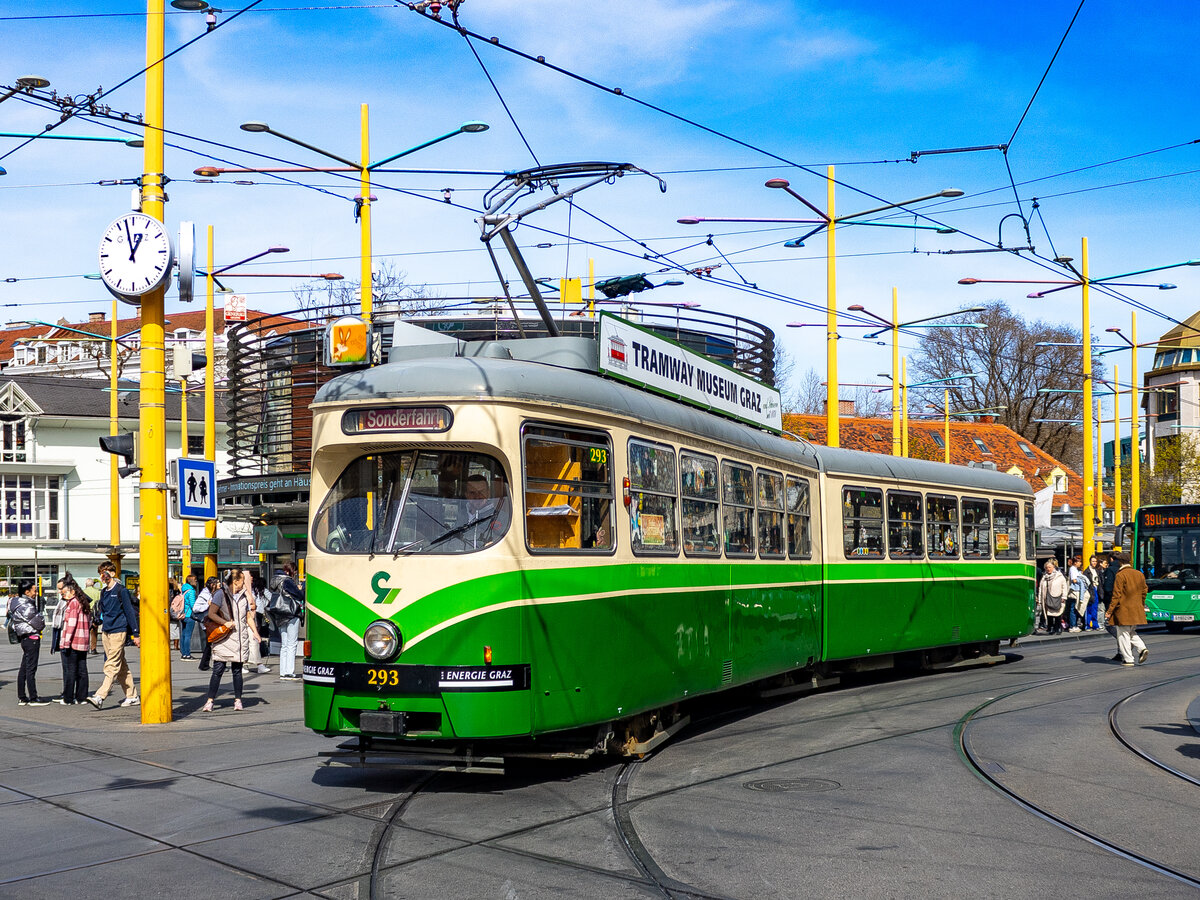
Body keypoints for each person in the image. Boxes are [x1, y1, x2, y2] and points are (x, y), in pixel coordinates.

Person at [86, 561, 140, 710]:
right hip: (106, 631)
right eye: (100, 573)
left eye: (105, 572)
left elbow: (129, 612)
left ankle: (100, 696)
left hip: (119, 630)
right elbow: (103, 611)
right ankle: (132, 696)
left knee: (112, 664)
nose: (103, 576)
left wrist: (135, 633)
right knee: (121, 665)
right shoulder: (104, 592)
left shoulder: (121, 590)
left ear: (112, 573)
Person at [202, 568, 253, 711]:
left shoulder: (243, 596)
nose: (244, 583)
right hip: (223, 637)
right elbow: (211, 613)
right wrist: (225, 623)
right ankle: (210, 701)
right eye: (242, 580)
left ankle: (238, 700)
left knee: (237, 670)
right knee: (218, 669)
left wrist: (255, 633)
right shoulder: (220, 594)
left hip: (239, 637)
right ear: (235, 581)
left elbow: (248, 616)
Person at [9, 579, 49, 706]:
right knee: (31, 668)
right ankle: (33, 697)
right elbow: (39, 623)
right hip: (32, 638)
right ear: (27, 592)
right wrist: (41, 618)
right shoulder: (27, 606)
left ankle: (22, 697)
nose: (36, 593)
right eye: (34, 591)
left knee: (24, 668)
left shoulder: (17, 603)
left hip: (25, 638)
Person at [1107, 551, 1149, 667]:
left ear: (1120, 562)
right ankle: (1142, 648)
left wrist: (1110, 611)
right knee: (1131, 632)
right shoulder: (1139, 574)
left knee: (1123, 634)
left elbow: (1116, 595)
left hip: (1123, 610)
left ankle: (1128, 659)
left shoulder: (1121, 575)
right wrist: (1140, 604)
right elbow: (1144, 591)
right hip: (1136, 609)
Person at [56, 574, 91, 705]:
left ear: (71, 591)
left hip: (73, 641)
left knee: (70, 670)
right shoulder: (83, 602)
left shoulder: (73, 603)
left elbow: (71, 624)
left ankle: (68, 698)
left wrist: (65, 642)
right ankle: (82, 697)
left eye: (64, 592)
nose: (63, 594)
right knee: (82, 669)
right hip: (83, 640)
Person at [270, 561, 305, 681]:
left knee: (284, 645)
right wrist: (301, 588)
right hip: (290, 613)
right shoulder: (287, 581)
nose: (295, 573)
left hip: (280, 614)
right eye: (294, 571)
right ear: (289, 571)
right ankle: (289, 672)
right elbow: (300, 595)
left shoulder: (275, 580)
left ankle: (283, 672)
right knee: (292, 644)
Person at [246, 571, 271, 675]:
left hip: (253, 617)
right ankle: (246, 664)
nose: (252, 578)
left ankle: (258, 664)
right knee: (249, 642)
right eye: (249, 576)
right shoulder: (244, 591)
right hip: (247, 618)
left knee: (253, 641)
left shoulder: (251, 590)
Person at [194, 576, 219, 670]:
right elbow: (195, 608)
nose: (220, 584)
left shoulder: (215, 593)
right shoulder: (204, 595)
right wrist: (207, 605)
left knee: (211, 644)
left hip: (212, 622)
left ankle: (204, 664)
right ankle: (207, 664)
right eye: (217, 582)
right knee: (211, 643)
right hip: (207, 622)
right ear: (212, 585)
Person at [1038, 558, 1068, 635]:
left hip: (1057, 598)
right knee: (1049, 614)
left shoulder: (1059, 576)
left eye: (1050, 567)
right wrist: (1040, 599)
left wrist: (1064, 597)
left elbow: (1064, 587)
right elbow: (1041, 588)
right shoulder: (1044, 577)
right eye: (1047, 568)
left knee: (1057, 613)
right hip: (1046, 598)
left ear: (1053, 567)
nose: (1048, 569)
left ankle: (1058, 627)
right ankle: (1051, 628)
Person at [180, 573, 199, 659]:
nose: (196, 581)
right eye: (195, 580)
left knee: (184, 635)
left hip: (183, 614)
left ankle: (183, 653)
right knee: (188, 635)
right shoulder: (191, 591)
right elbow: (193, 604)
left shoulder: (184, 590)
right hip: (189, 615)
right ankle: (187, 654)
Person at [1084, 555, 1102, 631]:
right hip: (1090, 590)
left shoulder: (1097, 571)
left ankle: (1095, 625)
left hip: (1096, 589)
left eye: (1095, 561)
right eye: (1093, 561)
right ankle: (1088, 625)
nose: (1094, 563)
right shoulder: (1087, 572)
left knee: (1095, 608)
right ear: (1090, 562)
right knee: (1089, 609)